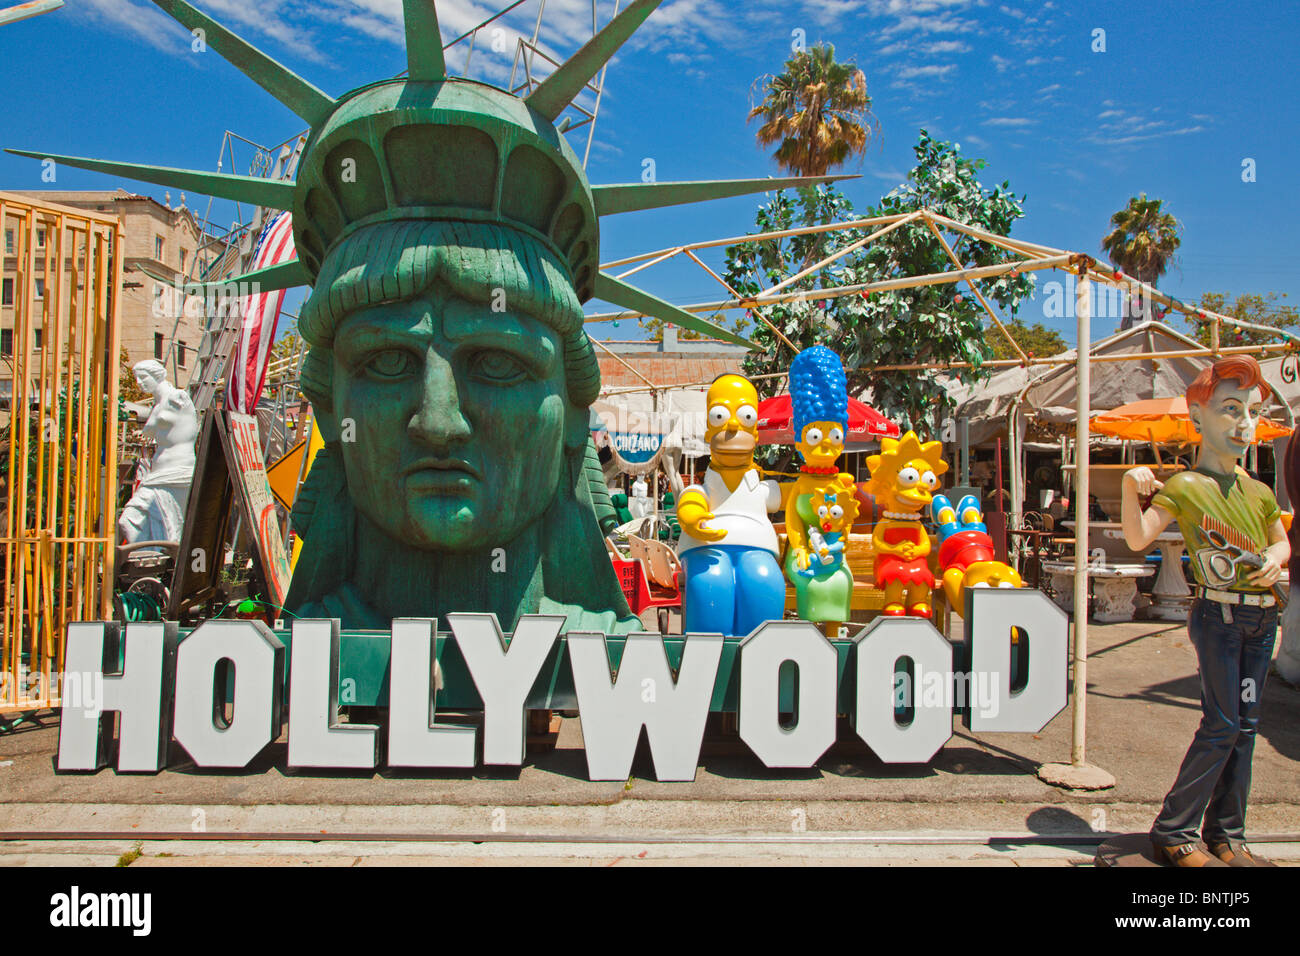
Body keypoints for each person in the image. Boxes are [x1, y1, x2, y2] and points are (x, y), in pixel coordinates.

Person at [1121, 356, 1288, 867]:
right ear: (1197, 416)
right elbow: (1137, 537)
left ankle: (1227, 835)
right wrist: (1131, 488)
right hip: (1220, 617)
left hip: (1261, 621)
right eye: (1230, 409)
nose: (1244, 424)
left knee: (1246, 725)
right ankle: (1174, 830)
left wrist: (1275, 561)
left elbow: (1282, 544)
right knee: (1222, 723)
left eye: (1252, 413)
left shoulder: (1259, 493)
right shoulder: (1186, 487)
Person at [675, 374, 786, 636]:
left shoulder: (761, 489)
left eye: (745, 417)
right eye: (720, 417)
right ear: (708, 430)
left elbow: (797, 496)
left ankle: (756, 656)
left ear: (755, 433)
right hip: (706, 547)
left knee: (762, 578)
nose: (734, 425)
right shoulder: (704, 489)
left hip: (758, 546)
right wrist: (692, 518)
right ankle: (708, 660)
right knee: (711, 581)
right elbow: (692, 499)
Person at [118, 360, 198, 544]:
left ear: (157, 375)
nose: (139, 383)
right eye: (136, 378)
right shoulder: (157, 404)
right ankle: (152, 557)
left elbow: (191, 428)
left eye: (143, 377)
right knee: (132, 520)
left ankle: (161, 558)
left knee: (169, 525)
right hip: (158, 474)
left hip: (178, 471)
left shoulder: (177, 397)